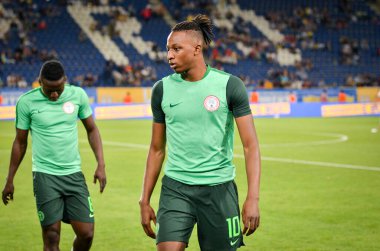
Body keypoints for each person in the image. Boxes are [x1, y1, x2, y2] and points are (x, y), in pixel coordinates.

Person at [139, 14, 261, 251]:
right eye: (167, 49)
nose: (169, 55)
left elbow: (250, 146)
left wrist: (253, 198)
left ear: (197, 48)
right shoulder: (161, 90)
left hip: (219, 190)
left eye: (176, 48)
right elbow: (156, 149)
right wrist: (144, 200)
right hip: (176, 187)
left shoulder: (229, 86)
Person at [2, 60, 107, 251]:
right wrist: (10, 179)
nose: (55, 94)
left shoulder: (78, 95)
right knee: (51, 235)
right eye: (49, 90)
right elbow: (20, 142)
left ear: (65, 81)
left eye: (58, 88)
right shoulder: (26, 102)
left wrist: (101, 164)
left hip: (73, 174)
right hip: (45, 176)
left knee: (86, 233)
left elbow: (92, 130)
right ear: (39, 81)